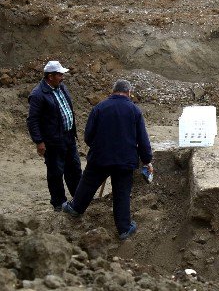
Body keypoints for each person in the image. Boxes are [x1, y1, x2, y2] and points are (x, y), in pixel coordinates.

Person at [62, 79, 153, 241]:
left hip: (100, 158)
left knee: (88, 183)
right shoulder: (135, 111)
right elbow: (143, 140)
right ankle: (124, 229)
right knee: (122, 194)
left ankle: (76, 208)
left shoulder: (99, 108)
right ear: (129, 93)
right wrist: (147, 160)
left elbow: (88, 136)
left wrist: (99, 147)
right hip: (125, 161)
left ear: (113, 91)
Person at [27, 61, 82, 211]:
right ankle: (58, 203)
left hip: (68, 137)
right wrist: (39, 142)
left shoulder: (61, 88)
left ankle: (79, 198)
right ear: (50, 76)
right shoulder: (38, 95)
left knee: (75, 168)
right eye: (59, 74)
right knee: (56, 172)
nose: (62, 77)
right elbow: (32, 120)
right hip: (53, 141)